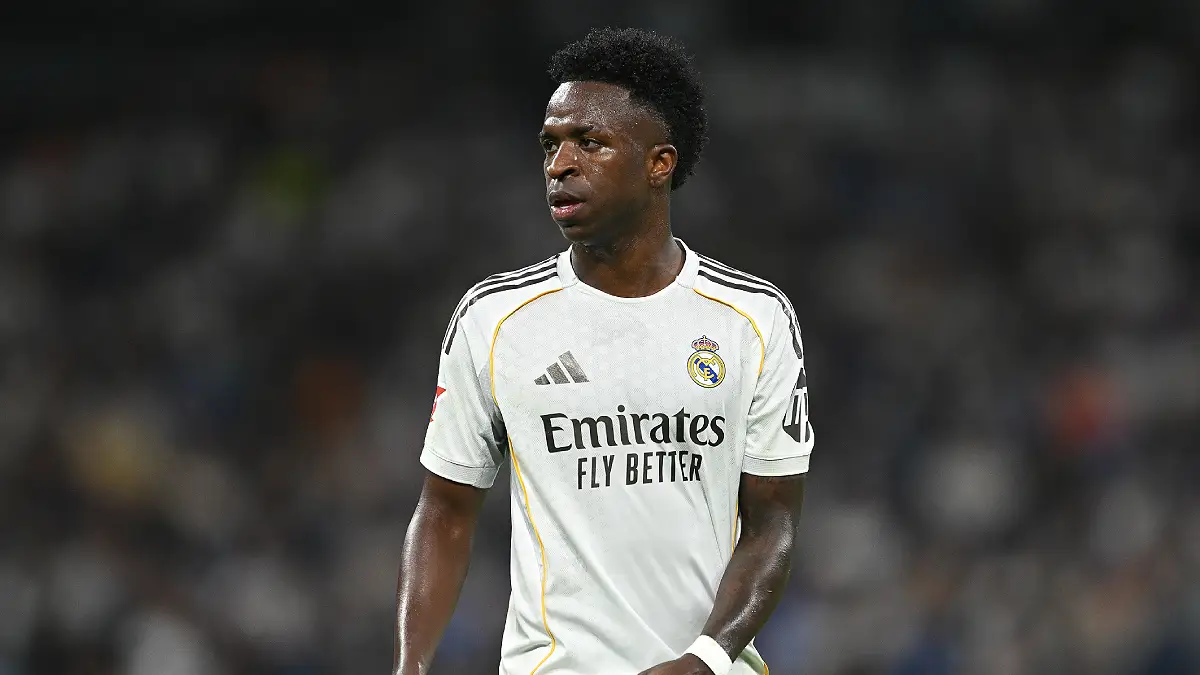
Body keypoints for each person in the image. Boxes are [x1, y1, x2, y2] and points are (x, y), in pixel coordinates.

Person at [393, 27, 814, 675]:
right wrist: (410, 667)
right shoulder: (494, 318)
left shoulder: (753, 318)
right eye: (550, 144)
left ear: (659, 164)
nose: (560, 164)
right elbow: (446, 510)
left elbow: (772, 522)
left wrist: (703, 659)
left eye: (589, 143)